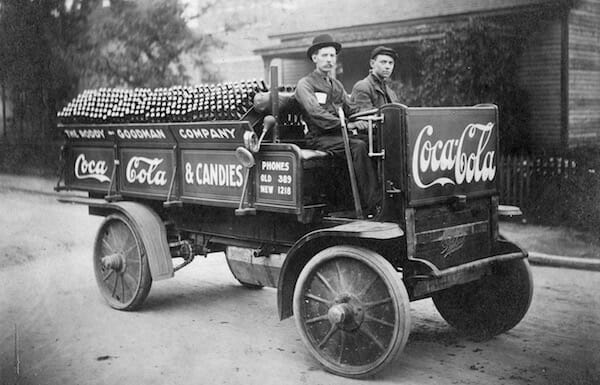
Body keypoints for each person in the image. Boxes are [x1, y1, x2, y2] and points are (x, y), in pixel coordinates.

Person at [294, 34, 380, 215]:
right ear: (314, 58)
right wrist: (347, 125)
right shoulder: (305, 84)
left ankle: (384, 197)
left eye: (332, 56)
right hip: (319, 138)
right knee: (358, 146)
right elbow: (316, 113)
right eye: (324, 55)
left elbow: (351, 109)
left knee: (375, 140)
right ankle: (374, 204)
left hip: (339, 135)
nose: (329, 60)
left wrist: (366, 119)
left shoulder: (336, 85)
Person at [351, 46, 399, 111]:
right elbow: (364, 116)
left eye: (390, 63)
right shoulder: (363, 87)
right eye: (383, 62)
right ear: (372, 63)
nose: (387, 66)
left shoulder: (391, 93)